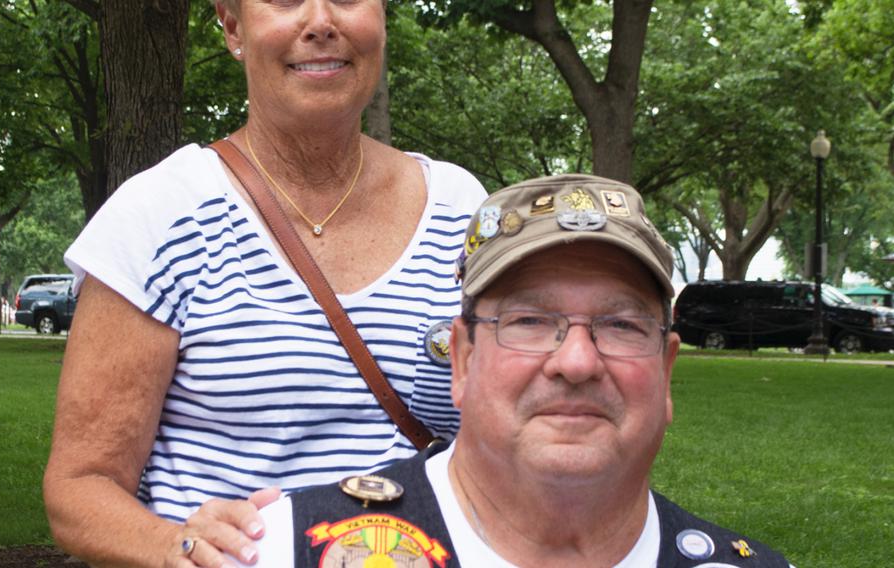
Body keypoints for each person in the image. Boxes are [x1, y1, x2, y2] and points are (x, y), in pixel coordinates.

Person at [42, 1, 486, 566]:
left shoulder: (461, 209)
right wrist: (177, 546)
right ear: (233, 28)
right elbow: (80, 486)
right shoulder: (159, 216)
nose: (323, 20)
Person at [242, 174, 792, 567]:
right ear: (462, 360)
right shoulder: (289, 549)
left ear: (666, 372)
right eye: (529, 320)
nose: (576, 362)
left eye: (622, 325)